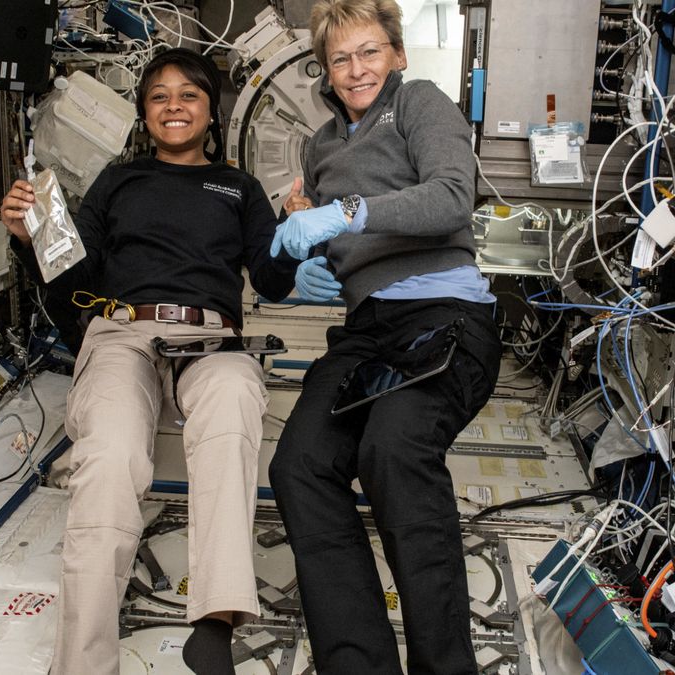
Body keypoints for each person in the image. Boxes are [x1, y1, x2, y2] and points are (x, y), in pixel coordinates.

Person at [0, 48, 297, 675]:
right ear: (143, 110)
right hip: (122, 333)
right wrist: (31, 243)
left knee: (232, 405)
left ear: (211, 111)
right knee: (108, 458)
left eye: (188, 94)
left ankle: (216, 619)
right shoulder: (118, 180)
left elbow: (270, 281)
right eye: (159, 95)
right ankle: (83, 662)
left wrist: (293, 233)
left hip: (212, 338)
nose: (173, 106)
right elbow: (69, 283)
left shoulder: (238, 187)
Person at [265, 1, 503, 673]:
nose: (356, 68)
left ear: (397, 54)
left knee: (392, 451)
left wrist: (345, 214)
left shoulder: (420, 103)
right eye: (340, 58)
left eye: (369, 52)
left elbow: (453, 196)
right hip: (367, 331)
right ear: (325, 69)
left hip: (444, 316)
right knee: (300, 465)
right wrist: (302, 264)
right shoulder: (319, 148)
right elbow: (305, 244)